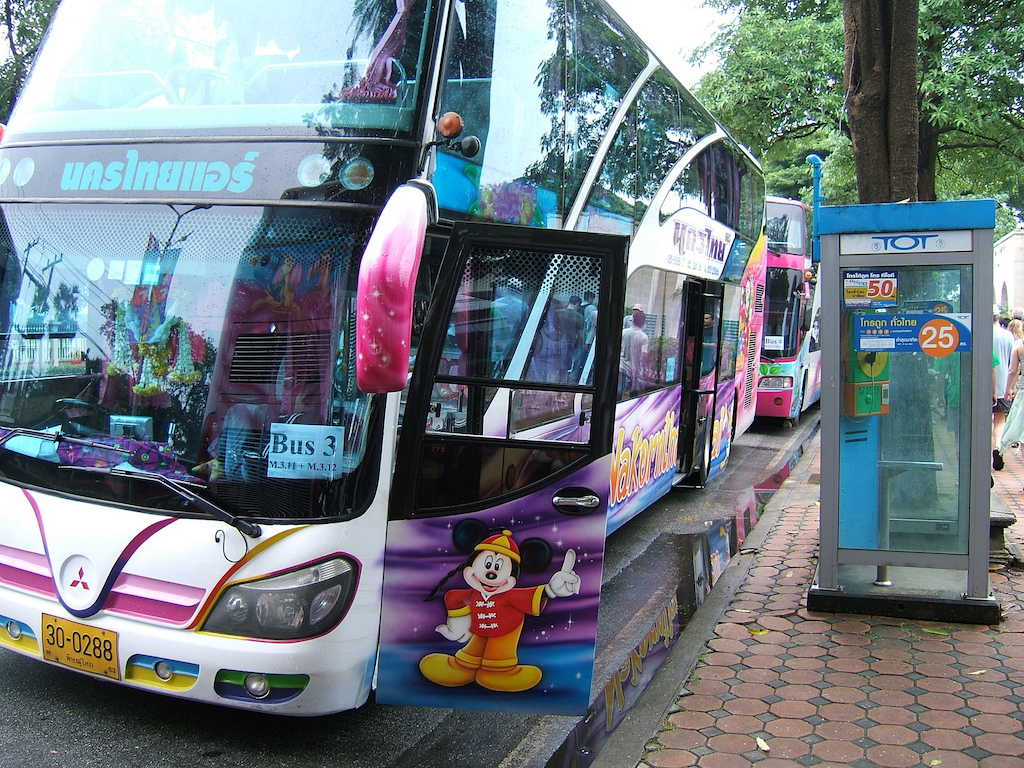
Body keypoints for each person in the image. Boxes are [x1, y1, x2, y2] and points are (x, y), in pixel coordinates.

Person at [994, 312, 1014, 469]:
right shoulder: (1007, 335)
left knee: (983, 421)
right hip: (1002, 382)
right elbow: (1011, 362)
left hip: (982, 384)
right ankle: (998, 449)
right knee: (1000, 419)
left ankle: (987, 451)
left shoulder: (978, 332)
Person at [619, 306, 649, 397]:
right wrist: (645, 369)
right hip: (634, 370)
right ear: (643, 322)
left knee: (618, 393)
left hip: (622, 367)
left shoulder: (623, 332)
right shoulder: (643, 337)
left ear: (633, 320)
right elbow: (644, 355)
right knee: (634, 394)